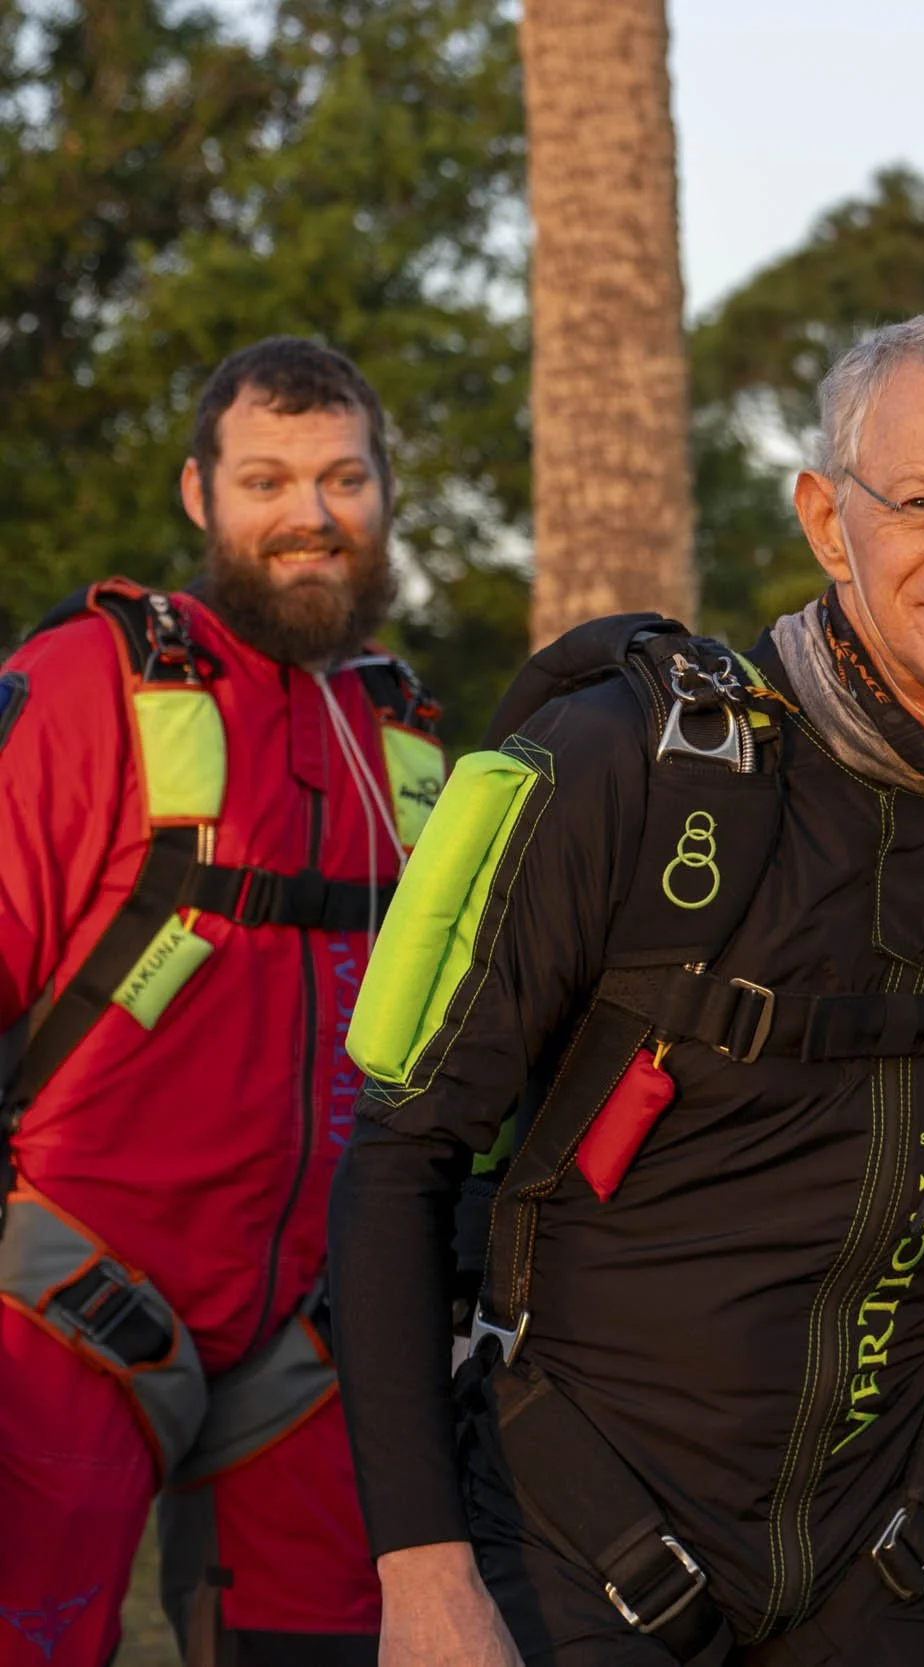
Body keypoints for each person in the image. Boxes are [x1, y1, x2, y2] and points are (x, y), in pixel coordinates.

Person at [327, 313, 924, 1667]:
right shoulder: (632, 761)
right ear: (825, 517)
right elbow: (399, 1156)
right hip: (580, 1546)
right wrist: (423, 1579)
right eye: (922, 502)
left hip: (876, 1557)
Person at [0, 338, 445, 1667]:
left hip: (316, 1323)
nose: (307, 512)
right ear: (201, 494)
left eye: (340, 477)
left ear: (381, 493)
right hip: (71, 1295)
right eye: (266, 478)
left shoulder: (410, 735)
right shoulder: (91, 683)